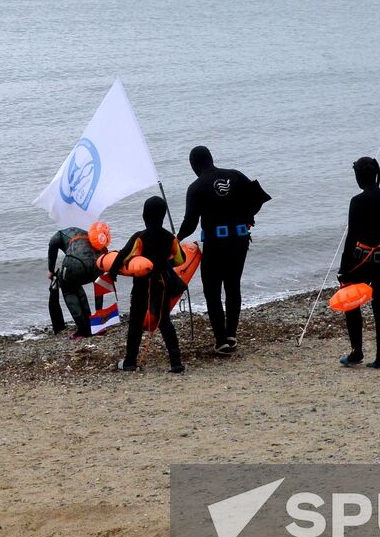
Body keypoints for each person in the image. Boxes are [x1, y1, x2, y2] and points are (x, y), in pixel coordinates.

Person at [177, 145, 271, 356]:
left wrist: (176, 239)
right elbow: (259, 198)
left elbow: (190, 223)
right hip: (239, 242)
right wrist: (248, 217)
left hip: (215, 244)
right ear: (211, 158)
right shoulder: (235, 176)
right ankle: (231, 335)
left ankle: (221, 340)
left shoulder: (196, 187)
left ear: (194, 165)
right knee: (232, 285)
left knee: (212, 290)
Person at [336, 156, 380, 370]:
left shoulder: (357, 201)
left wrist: (344, 269)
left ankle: (356, 352)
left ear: (359, 176)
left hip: (364, 261)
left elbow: (352, 237)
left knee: (351, 303)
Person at [111, 196, 185, 374]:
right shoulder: (170, 238)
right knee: (164, 320)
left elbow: (123, 255)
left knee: (136, 321)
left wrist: (112, 272)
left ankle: (129, 361)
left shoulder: (140, 237)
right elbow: (180, 259)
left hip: (142, 285)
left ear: (144, 215)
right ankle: (176, 362)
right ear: (163, 216)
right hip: (162, 283)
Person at [48, 227, 103, 338]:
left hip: (75, 262)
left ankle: (83, 329)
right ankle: (97, 323)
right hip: (97, 262)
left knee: (68, 289)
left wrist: (51, 270)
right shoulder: (85, 233)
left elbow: (52, 245)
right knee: (80, 285)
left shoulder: (59, 234)